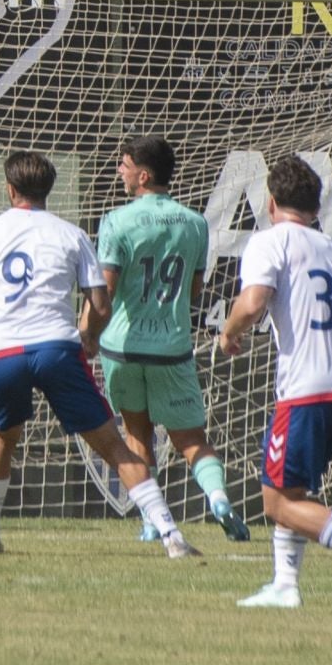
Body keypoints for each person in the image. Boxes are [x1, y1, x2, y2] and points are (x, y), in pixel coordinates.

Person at [0, 150, 199, 559]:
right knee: (114, 447)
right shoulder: (71, 234)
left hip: (3, 351)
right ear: (49, 190)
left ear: (10, 189)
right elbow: (100, 303)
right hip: (56, 348)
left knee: (3, 436)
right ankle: (171, 536)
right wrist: (89, 338)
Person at [218, 155, 332, 609]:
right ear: (317, 208)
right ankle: (285, 585)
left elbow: (254, 301)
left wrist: (228, 331)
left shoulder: (272, 241)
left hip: (307, 389)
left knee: (276, 503)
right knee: (293, 491)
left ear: (271, 203)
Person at [95, 136, 249, 544]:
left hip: (123, 348)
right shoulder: (196, 223)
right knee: (191, 440)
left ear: (143, 175)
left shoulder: (115, 220)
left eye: (124, 165)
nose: (120, 172)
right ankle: (217, 498)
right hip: (172, 347)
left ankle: (151, 520)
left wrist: (85, 336)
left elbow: (104, 292)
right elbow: (195, 289)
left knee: (137, 434)